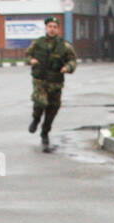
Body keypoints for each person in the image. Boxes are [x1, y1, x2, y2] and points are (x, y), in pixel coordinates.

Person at [25, 16, 77, 149]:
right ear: (46, 28)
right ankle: (36, 119)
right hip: (40, 80)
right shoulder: (38, 43)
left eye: (55, 27)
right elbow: (27, 55)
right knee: (40, 102)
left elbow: (72, 60)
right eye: (50, 26)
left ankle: (45, 132)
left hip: (55, 82)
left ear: (58, 29)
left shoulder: (64, 46)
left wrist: (67, 67)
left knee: (53, 108)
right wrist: (31, 60)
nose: (52, 29)